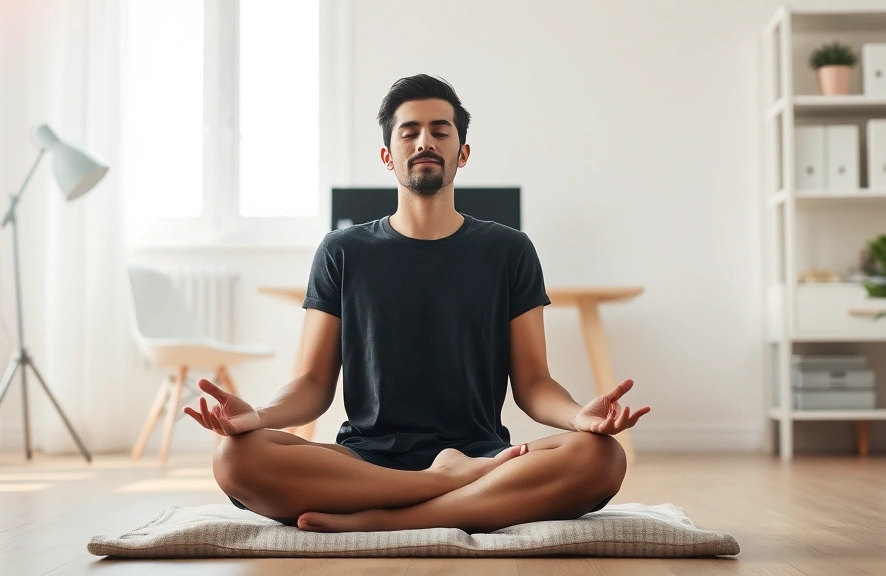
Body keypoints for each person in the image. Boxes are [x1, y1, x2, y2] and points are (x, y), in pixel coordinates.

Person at [184, 74, 650, 534]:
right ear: (388, 157)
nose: (424, 141)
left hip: (476, 455)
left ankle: (400, 514)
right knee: (235, 456)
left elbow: (532, 382)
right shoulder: (341, 251)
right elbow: (311, 383)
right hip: (365, 459)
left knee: (600, 457)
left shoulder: (511, 250)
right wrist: (258, 417)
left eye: (440, 131)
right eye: (409, 132)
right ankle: (445, 492)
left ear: (462, 153)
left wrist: (579, 417)